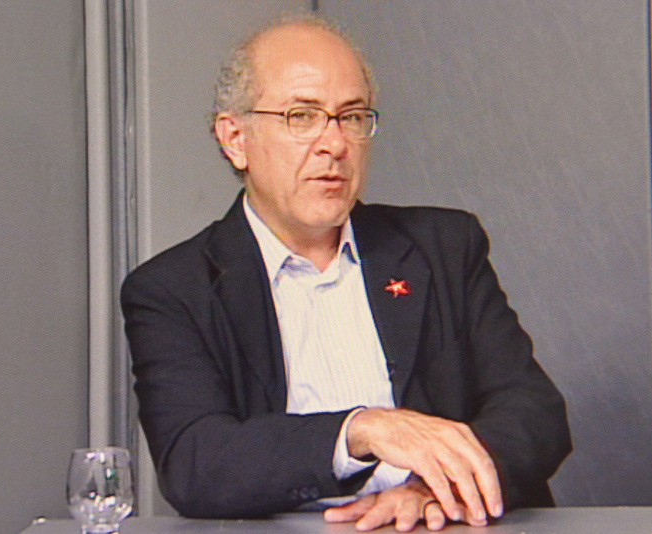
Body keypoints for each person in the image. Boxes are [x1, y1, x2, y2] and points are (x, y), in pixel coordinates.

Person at [121, 14, 571, 532]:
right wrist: (359, 431)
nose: (334, 144)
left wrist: (433, 490)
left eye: (352, 117)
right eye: (301, 116)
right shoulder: (174, 289)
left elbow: (534, 412)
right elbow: (196, 461)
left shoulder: (444, 248)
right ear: (235, 138)